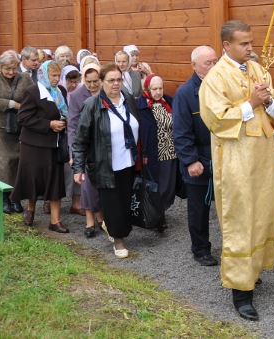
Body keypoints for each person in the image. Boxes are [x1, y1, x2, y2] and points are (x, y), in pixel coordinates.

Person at [199, 20, 274, 321]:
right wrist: (251, 103)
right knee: (241, 220)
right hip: (236, 161)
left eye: (251, 42)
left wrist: (270, 101)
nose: (251, 48)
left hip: (263, 157)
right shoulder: (214, 78)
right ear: (227, 45)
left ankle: (254, 271)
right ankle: (241, 292)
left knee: (263, 213)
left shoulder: (258, 69)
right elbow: (216, 118)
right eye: (244, 43)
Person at [73, 63, 140, 259]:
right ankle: (118, 240)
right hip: (105, 165)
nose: (115, 84)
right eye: (111, 80)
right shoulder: (92, 105)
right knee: (112, 204)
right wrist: (78, 167)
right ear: (102, 82)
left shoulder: (127, 99)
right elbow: (80, 139)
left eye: (118, 80)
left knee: (125, 201)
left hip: (128, 162)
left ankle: (114, 227)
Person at [173, 45, 219, 267]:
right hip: (199, 159)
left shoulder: (221, 87)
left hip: (223, 158)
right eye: (207, 63)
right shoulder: (185, 93)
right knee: (199, 210)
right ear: (194, 65)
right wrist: (191, 160)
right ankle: (200, 249)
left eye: (215, 61)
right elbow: (181, 132)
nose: (213, 66)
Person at [11, 60, 69, 233]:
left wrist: (62, 122)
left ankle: (55, 220)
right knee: (34, 179)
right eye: (53, 75)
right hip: (34, 144)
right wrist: (48, 124)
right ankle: (30, 208)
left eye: (59, 75)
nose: (56, 79)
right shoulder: (32, 92)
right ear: (43, 74)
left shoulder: (61, 91)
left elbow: (64, 112)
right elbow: (23, 118)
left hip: (55, 144)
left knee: (55, 180)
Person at [0, 52, 35, 214]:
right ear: (0, 67)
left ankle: (15, 196)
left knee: (17, 160)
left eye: (13, 68)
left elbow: (35, 95)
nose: (11, 72)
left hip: (18, 126)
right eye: (7, 69)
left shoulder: (24, 78)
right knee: (3, 161)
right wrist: (12, 104)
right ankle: (3, 196)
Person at [66, 63, 105, 238]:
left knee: (103, 184)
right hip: (86, 148)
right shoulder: (76, 96)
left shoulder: (108, 94)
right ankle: (90, 219)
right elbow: (72, 125)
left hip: (105, 147)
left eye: (95, 81)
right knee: (87, 186)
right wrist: (73, 152)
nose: (92, 85)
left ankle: (101, 215)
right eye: (88, 81)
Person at [137, 75, 177, 213]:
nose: (158, 92)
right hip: (155, 152)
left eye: (161, 88)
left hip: (171, 151)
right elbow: (140, 132)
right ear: (147, 88)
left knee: (170, 186)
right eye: (154, 89)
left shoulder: (168, 101)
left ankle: (161, 212)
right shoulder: (141, 106)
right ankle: (156, 214)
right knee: (158, 186)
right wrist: (143, 152)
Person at [61, 64, 85, 216]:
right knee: (60, 171)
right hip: (61, 133)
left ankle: (76, 203)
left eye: (76, 80)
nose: (73, 84)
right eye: (70, 80)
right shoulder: (59, 91)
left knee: (76, 169)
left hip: (75, 133)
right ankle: (49, 201)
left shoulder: (79, 93)